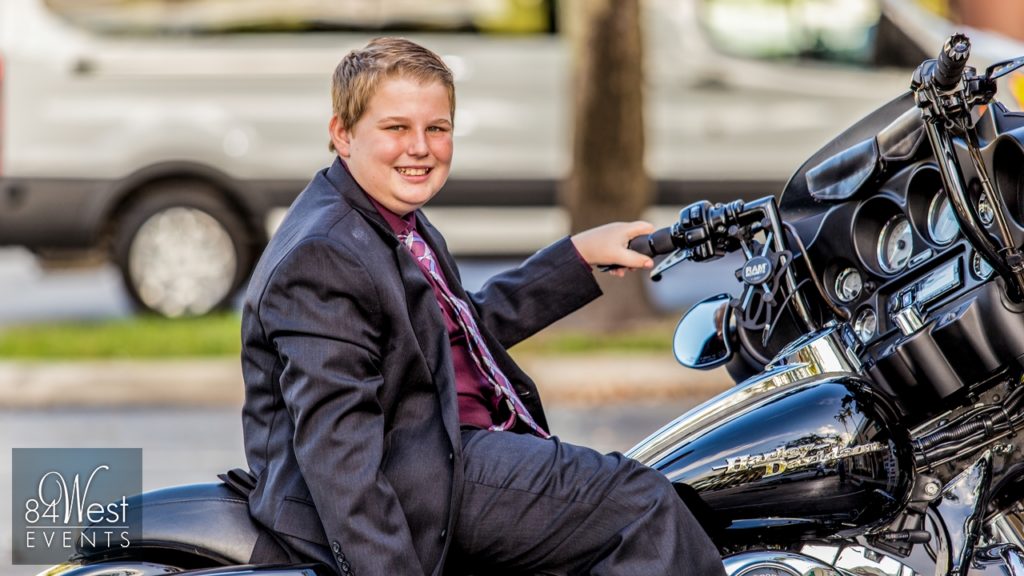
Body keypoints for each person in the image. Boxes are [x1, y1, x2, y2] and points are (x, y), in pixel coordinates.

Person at [240, 37, 724, 576]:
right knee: (643, 504)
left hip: (445, 451)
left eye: (437, 128)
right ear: (342, 133)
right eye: (396, 128)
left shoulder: (386, 217)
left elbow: (457, 326)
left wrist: (578, 255)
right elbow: (339, 457)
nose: (420, 148)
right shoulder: (325, 253)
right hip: (425, 479)